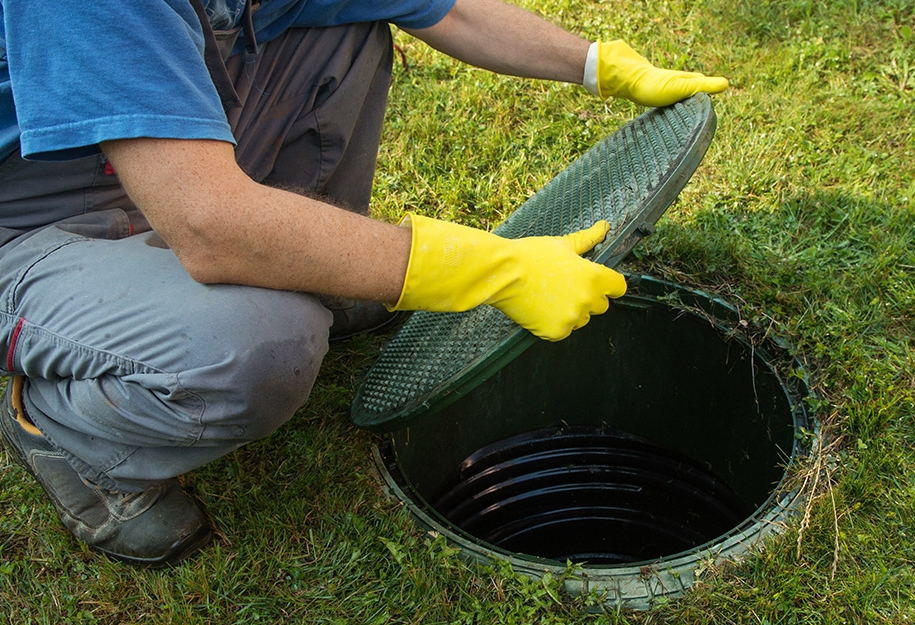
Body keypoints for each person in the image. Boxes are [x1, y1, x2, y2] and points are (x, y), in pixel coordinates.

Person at [0, 0, 728, 566]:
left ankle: (300, 269)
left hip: (170, 143)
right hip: (36, 216)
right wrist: (482, 266)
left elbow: (448, 11)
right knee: (259, 343)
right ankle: (65, 431)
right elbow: (207, 222)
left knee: (343, 34)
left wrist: (599, 62)